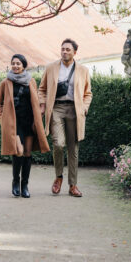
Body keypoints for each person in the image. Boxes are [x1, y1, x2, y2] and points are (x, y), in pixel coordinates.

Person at [38, 38, 92, 197]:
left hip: (75, 110)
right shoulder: (51, 68)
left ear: (75, 52)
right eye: (62, 49)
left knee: (73, 148)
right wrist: (42, 104)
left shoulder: (83, 70)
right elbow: (42, 89)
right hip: (56, 109)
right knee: (58, 144)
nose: (64, 52)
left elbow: (88, 93)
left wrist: (84, 108)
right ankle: (58, 177)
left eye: (68, 49)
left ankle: (73, 185)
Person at [0, 54, 49, 198]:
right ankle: (15, 182)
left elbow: (35, 101)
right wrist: (3, 120)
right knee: (18, 151)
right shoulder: (5, 83)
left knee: (27, 153)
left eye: (18, 63)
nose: (15, 66)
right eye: (13, 63)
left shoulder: (31, 81)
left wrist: (37, 118)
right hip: (14, 123)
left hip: (29, 121)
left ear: (23, 66)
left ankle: (25, 185)